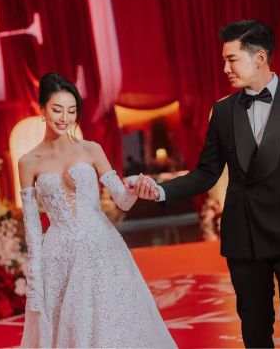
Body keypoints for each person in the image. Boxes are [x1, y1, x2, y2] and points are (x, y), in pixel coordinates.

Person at [134, 20, 280, 347]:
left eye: (232, 59)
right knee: (254, 331)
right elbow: (207, 172)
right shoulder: (223, 111)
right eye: (224, 60)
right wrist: (161, 190)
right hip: (245, 236)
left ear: (260, 57)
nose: (225, 68)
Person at [17, 73, 176, 348]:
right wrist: (34, 272)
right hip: (59, 254)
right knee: (67, 326)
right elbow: (31, 226)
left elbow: (122, 201)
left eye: (71, 111)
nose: (64, 118)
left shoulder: (91, 149)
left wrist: (135, 187)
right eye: (57, 109)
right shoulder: (28, 161)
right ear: (42, 109)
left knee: (111, 321)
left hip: (101, 246)